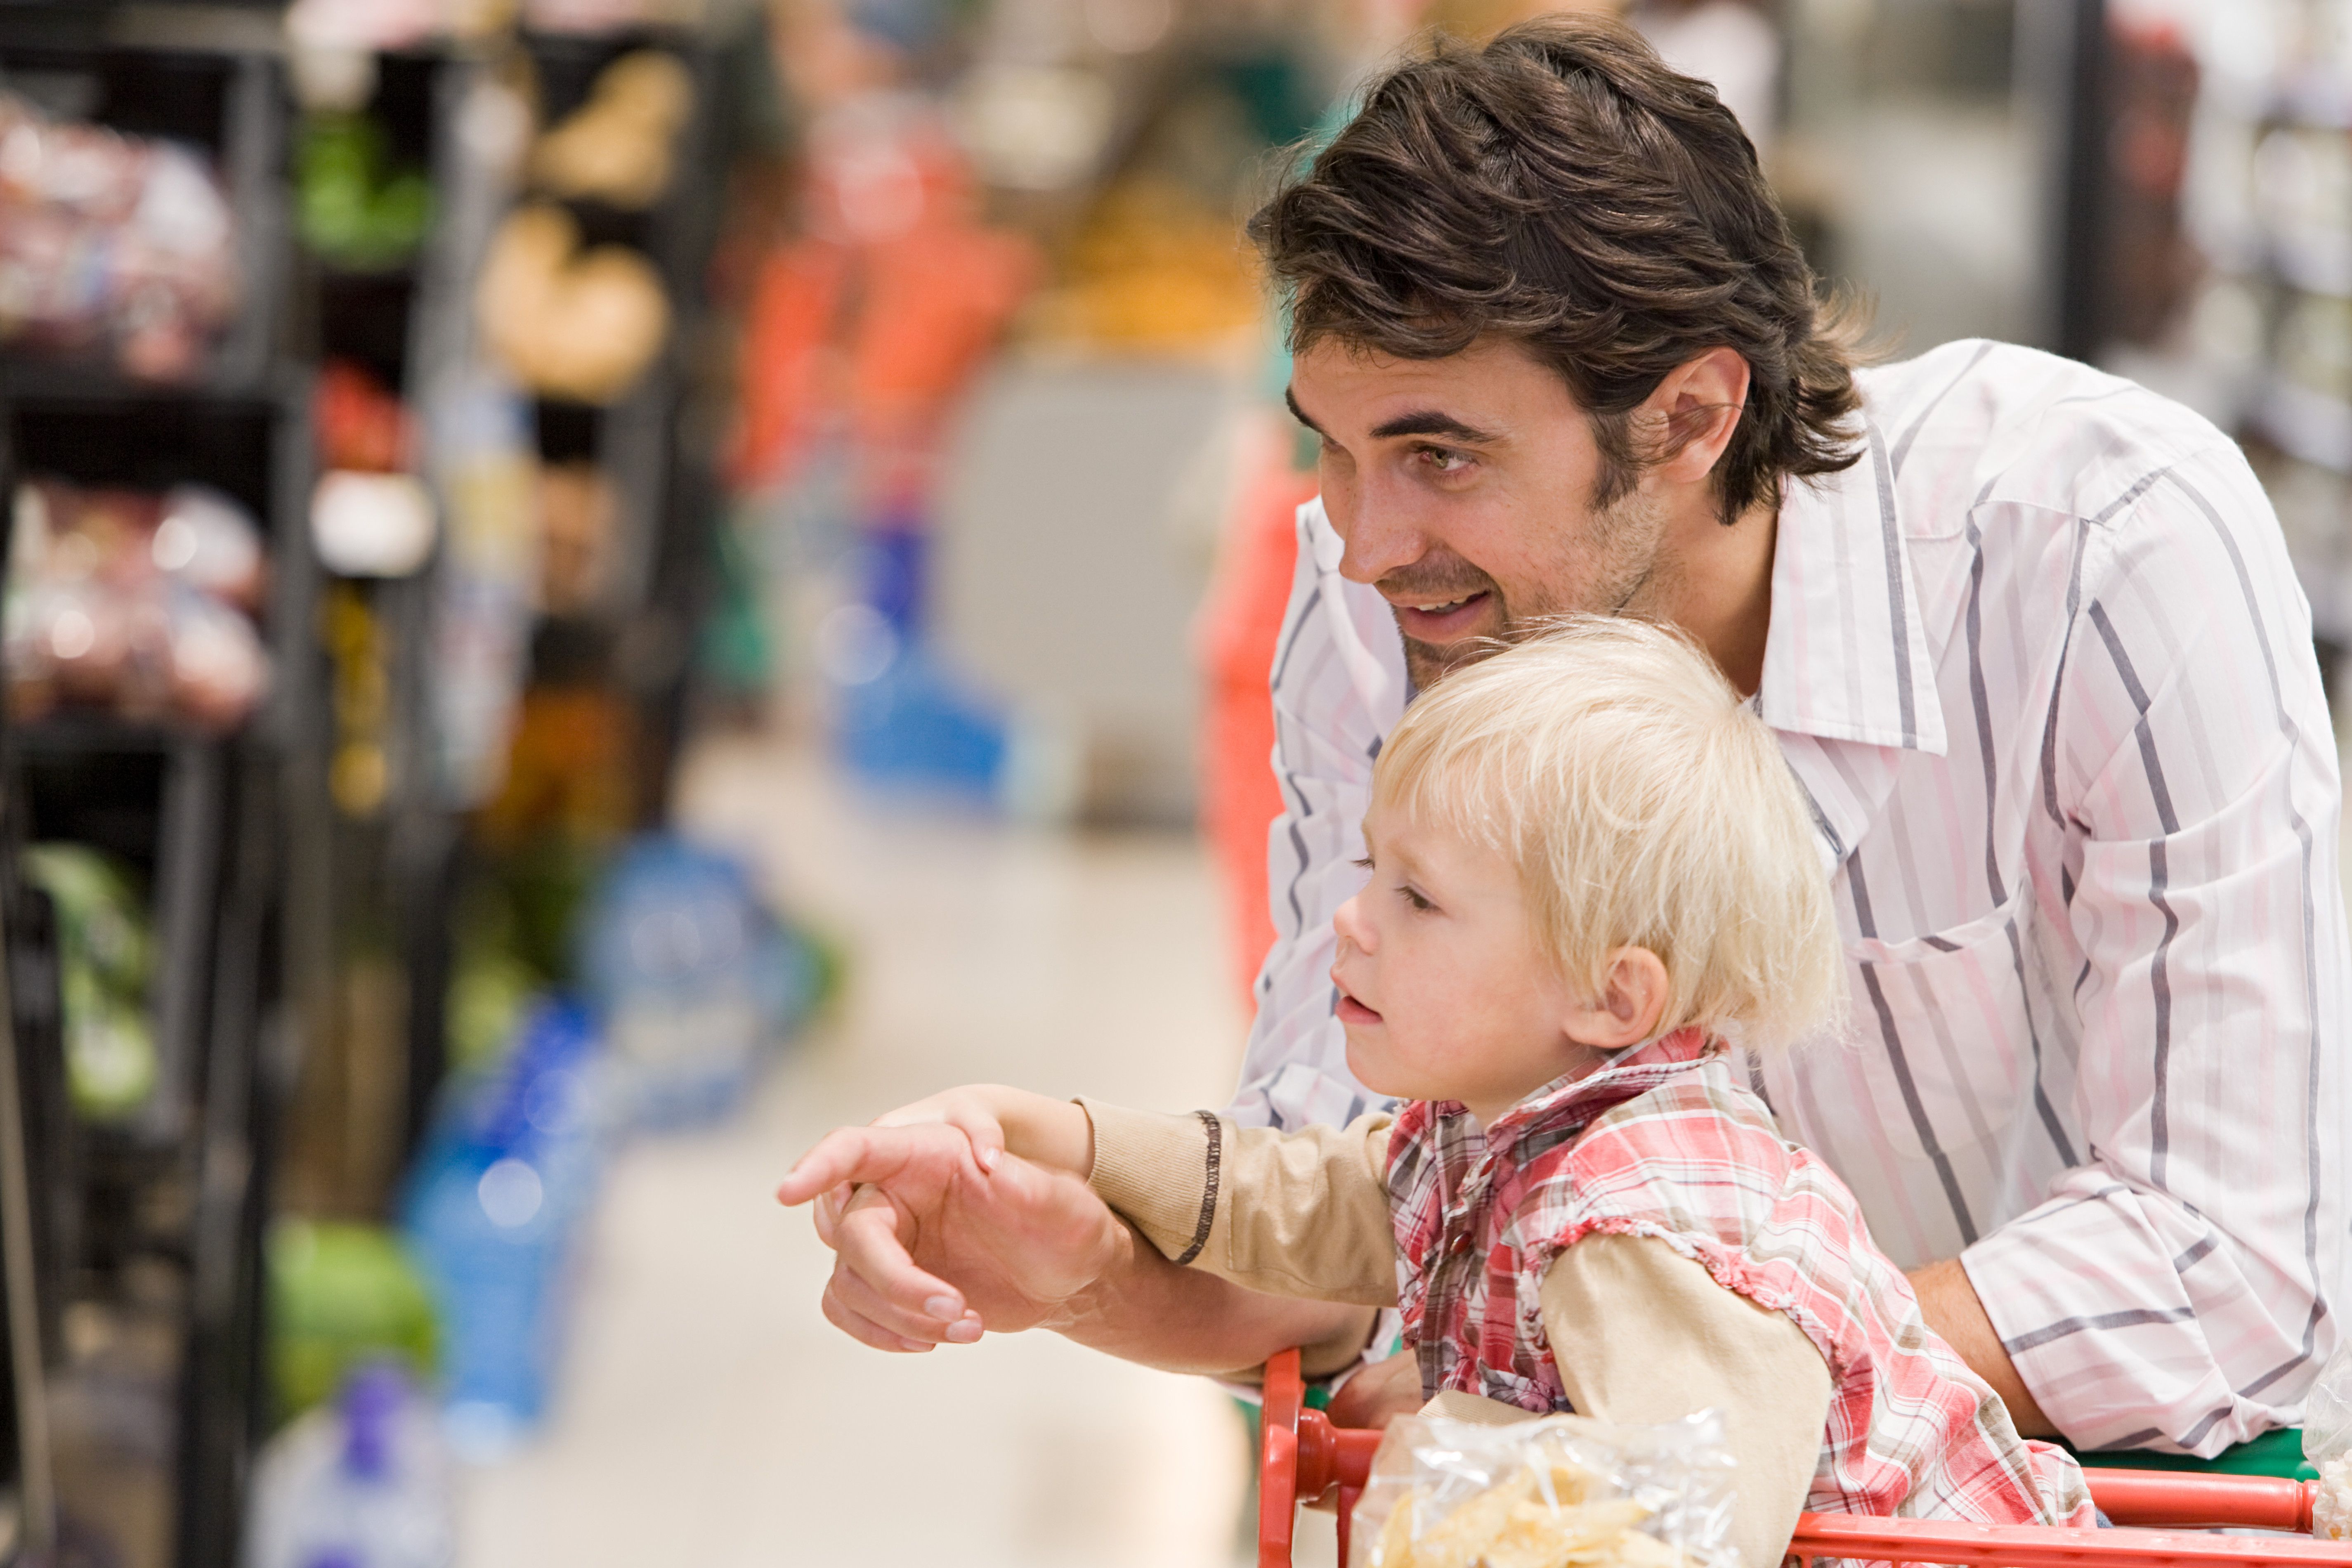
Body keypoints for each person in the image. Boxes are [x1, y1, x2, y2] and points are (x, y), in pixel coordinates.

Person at [797, 14, 2348, 1456]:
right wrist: (1074, 1264)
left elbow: (2228, 1254)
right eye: (1333, 450)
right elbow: (1372, 1214)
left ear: (1689, 418)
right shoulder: (1397, 615)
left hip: (2092, 1497)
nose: (1362, 539)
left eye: (1440, 454)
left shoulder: (2097, 542)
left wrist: (1666, 1392)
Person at [781, 620, 2097, 1567]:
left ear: (1609, 997)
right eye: (1369, 872)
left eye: (1417, 898)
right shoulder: (1501, 1127)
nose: (1348, 922)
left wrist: (1450, 1430)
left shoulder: (1647, 1231)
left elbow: (1678, 1528)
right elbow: (1302, 1196)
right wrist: (1042, 1131)